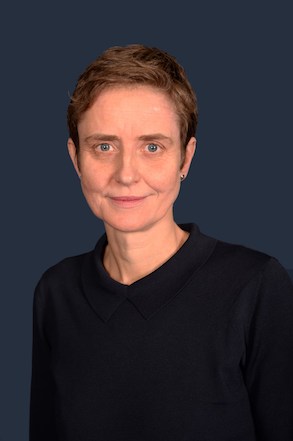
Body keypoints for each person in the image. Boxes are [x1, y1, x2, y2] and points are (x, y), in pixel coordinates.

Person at [29, 44, 293, 441]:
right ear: (75, 159)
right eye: (104, 146)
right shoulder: (55, 292)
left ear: (185, 159)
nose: (126, 174)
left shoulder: (256, 285)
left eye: (152, 147)